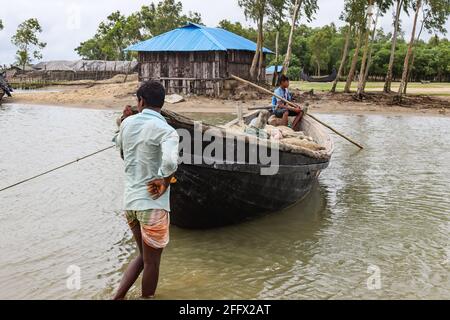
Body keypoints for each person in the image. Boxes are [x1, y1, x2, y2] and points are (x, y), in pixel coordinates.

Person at [114, 80, 179, 300]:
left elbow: (122, 151)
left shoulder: (127, 124)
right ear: (161, 103)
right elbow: (171, 162)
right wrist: (165, 179)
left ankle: (117, 297)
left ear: (141, 101)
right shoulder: (167, 130)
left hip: (130, 204)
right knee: (152, 262)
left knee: (143, 257)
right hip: (152, 205)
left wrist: (124, 121)